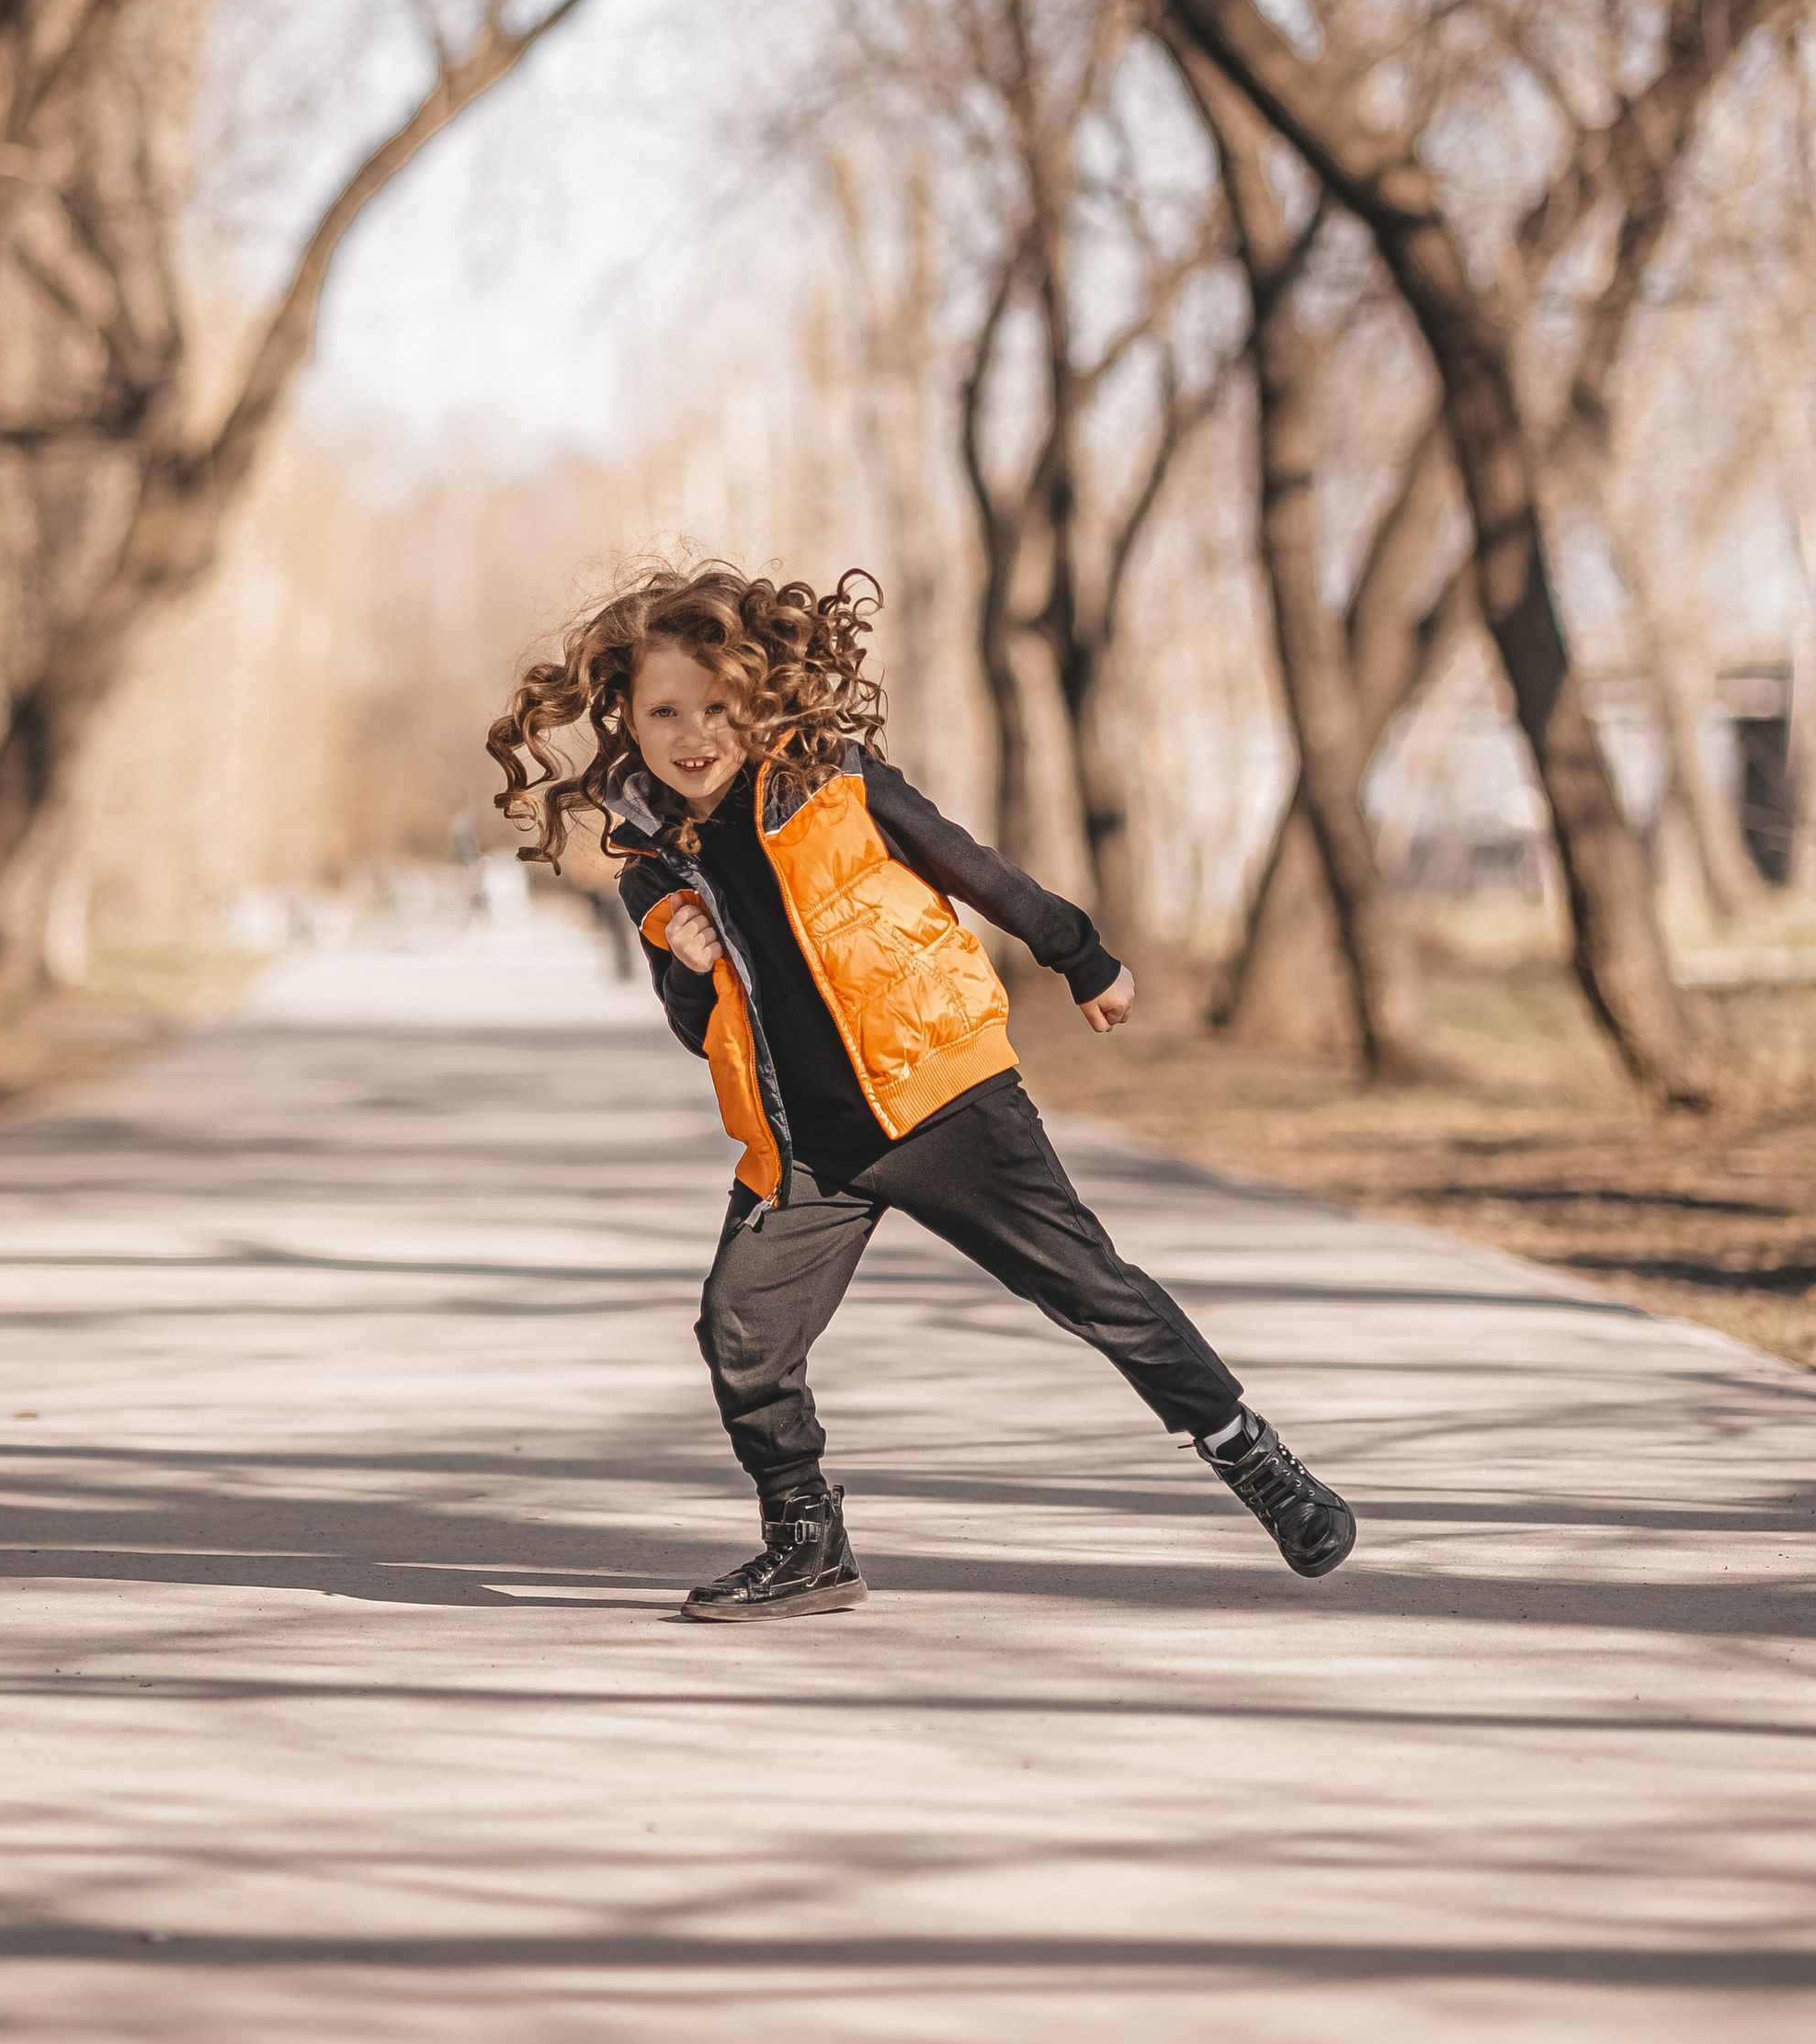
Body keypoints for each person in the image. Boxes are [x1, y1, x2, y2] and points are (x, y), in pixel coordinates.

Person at [487, 562, 1356, 1623]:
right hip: (807, 1145)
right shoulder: (650, 866)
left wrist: (1076, 956)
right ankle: (806, 1544)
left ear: (761, 699)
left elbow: (970, 865)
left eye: (719, 705)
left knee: (1089, 1288)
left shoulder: (833, 781)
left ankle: (1257, 1463)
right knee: (739, 1330)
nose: (693, 733)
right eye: (665, 710)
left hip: (944, 1099)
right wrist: (686, 960)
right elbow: (695, 1032)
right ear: (624, 714)